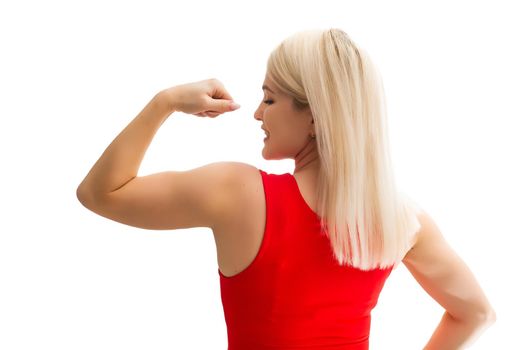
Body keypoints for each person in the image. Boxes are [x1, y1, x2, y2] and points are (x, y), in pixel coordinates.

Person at [76, 28, 496, 349]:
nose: (257, 114)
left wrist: (165, 101)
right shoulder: (402, 220)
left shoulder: (237, 192)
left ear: (315, 117)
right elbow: (475, 313)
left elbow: (100, 193)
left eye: (270, 100)